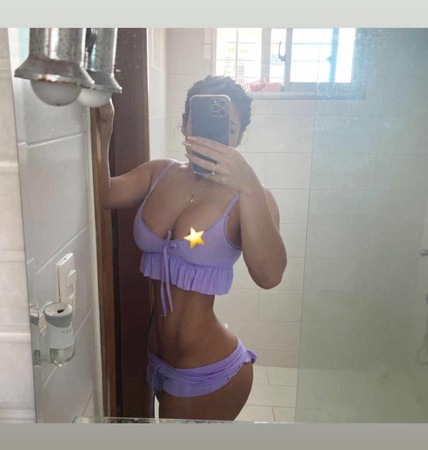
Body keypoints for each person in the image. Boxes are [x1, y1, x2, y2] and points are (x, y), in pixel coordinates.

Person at [97, 75, 287, 421]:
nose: (210, 137)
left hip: (209, 371)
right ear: (184, 123)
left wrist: (248, 184)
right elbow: (103, 193)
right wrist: (104, 125)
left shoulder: (251, 197)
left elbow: (269, 276)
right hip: (157, 356)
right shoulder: (159, 173)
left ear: (239, 137)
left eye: (227, 128)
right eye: (198, 122)